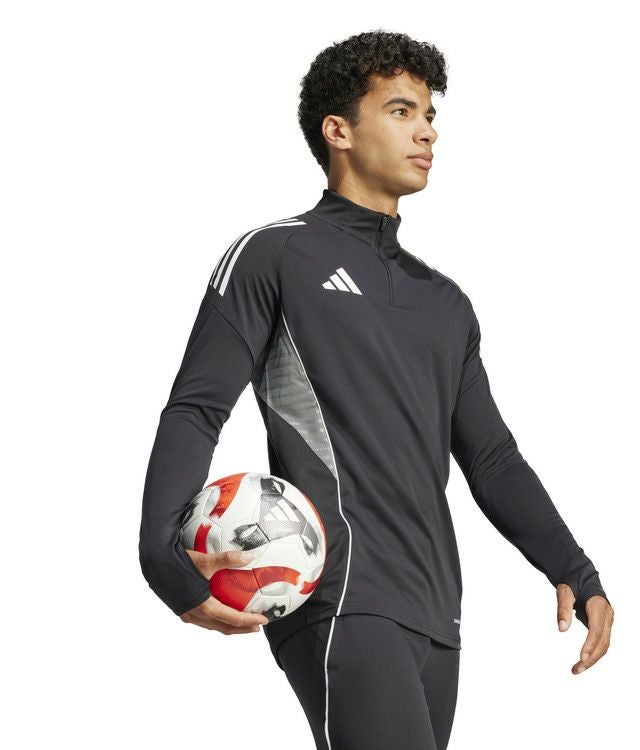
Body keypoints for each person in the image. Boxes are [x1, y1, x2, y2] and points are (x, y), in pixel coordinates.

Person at [139, 29, 614, 750]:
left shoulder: (445, 302)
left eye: (429, 115)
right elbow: (198, 408)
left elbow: (491, 458)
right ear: (339, 131)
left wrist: (575, 569)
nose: (427, 131)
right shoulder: (276, 255)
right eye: (400, 111)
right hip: (341, 597)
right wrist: (164, 561)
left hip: (437, 613)